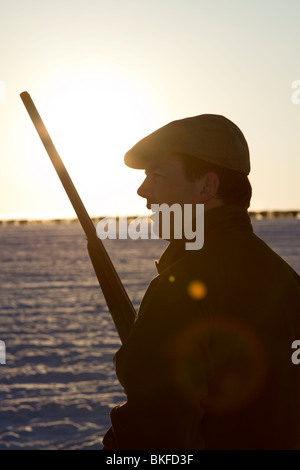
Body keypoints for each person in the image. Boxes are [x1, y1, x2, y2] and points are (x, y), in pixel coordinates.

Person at [102, 114, 300, 450]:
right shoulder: (288, 280)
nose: (142, 190)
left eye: (157, 175)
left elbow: (151, 445)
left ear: (207, 187)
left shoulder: (180, 290)